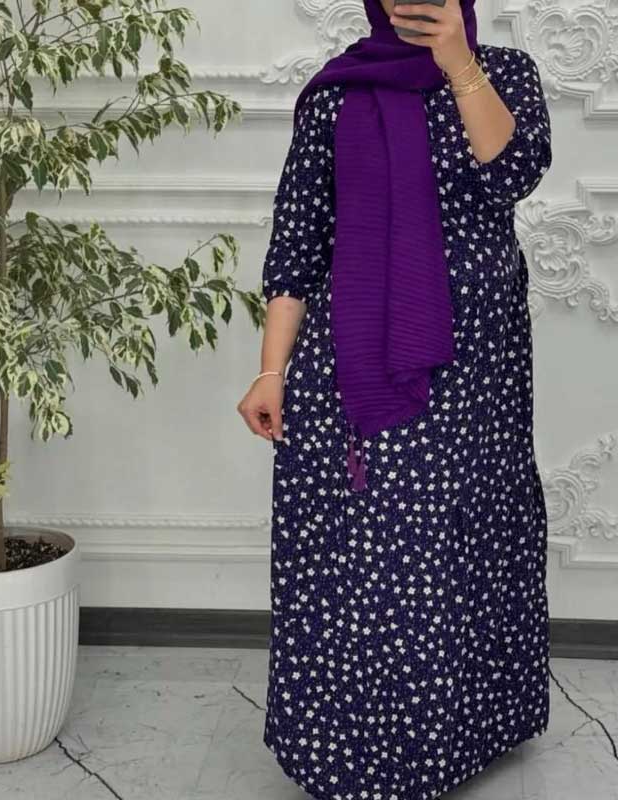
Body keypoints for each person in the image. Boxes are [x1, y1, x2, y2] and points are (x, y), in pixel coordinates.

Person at [237, 1, 553, 797]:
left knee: (460, 541)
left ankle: (458, 736)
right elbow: (298, 239)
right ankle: (347, 745)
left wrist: (458, 63)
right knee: (357, 549)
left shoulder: (504, 72)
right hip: (353, 364)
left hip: (474, 370)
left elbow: (513, 173)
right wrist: (271, 371)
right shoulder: (338, 93)